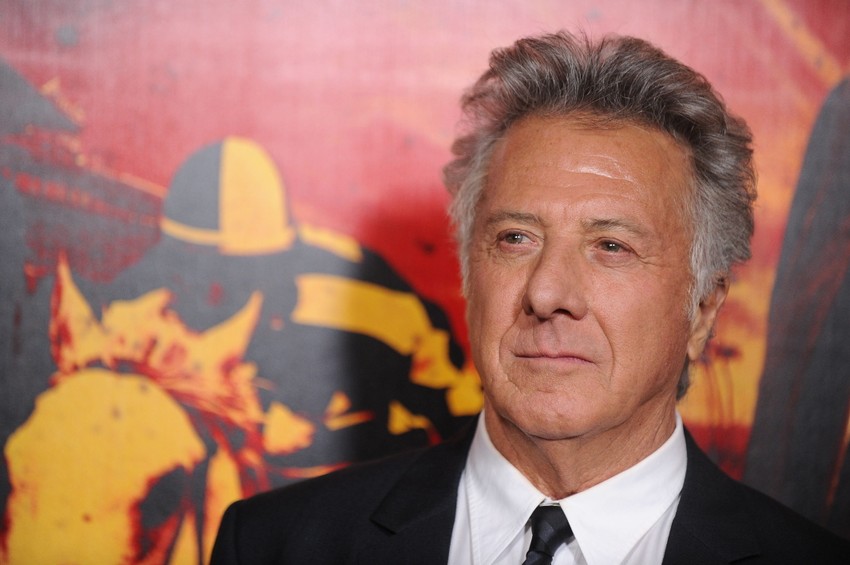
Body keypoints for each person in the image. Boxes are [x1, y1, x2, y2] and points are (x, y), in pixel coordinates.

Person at [209, 31, 850, 564]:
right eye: (515, 238)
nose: (547, 293)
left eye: (611, 247)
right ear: (469, 274)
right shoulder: (274, 546)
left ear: (702, 310)